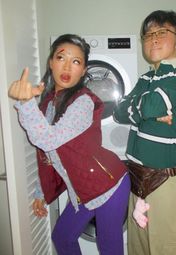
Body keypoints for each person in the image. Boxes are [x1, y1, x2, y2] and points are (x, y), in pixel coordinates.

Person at [8, 34, 130, 255]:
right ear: (51, 62)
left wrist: (26, 104)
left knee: (109, 247)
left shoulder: (83, 101)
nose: (67, 66)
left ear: (83, 71)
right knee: (62, 238)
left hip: (109, 185)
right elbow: (48, 153)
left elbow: (48, 139)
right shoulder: (48, 104)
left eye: (76, 62)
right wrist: (41, 192)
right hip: (82, 189)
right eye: (61, 57)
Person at [113, 10, 176, 255]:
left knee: (171, 249)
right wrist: (148, 109)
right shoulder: (145, 77)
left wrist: (144, 107)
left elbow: (153, 105)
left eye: (162, 32)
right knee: (139, 249)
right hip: (136, 181)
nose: (153, 39)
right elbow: (119, 111)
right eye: (148, 34)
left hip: (165, 183)